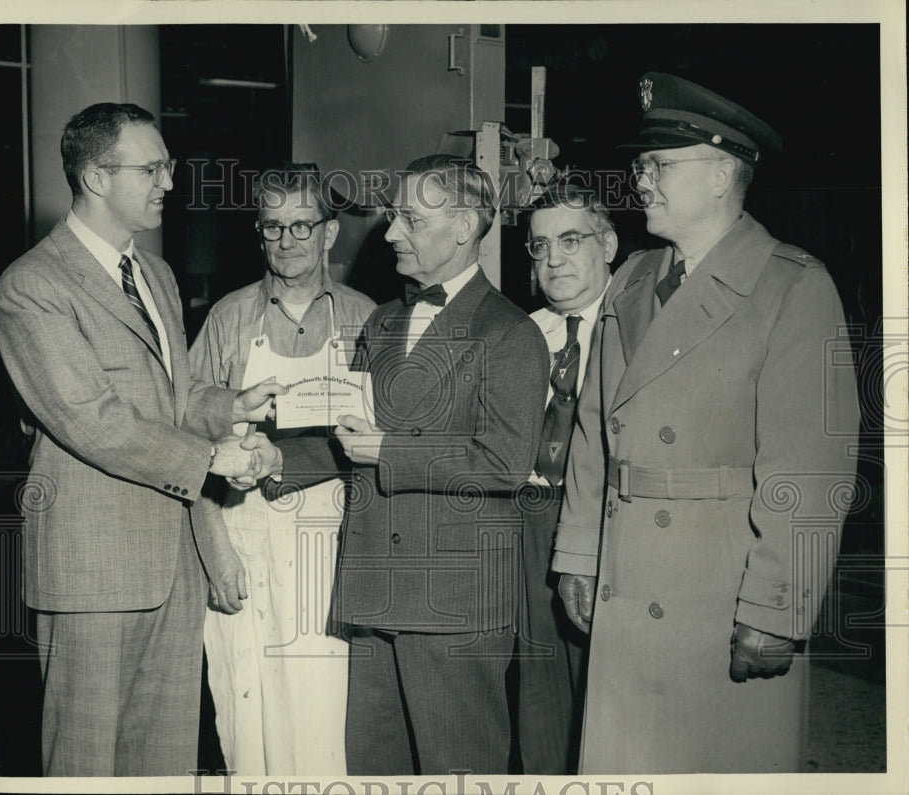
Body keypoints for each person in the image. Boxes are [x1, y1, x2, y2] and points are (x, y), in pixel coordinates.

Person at [552, 72, 861, 773]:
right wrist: (576, 550)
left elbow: (809, 471)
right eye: (640, 164)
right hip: (626, 579)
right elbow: (596, 432)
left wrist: (776, 606)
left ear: (723, 173)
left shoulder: (792, 285)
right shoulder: (631, 278)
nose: (642, 179)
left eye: (659, 164)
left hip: (718, 596)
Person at [0, 102, 282, 776]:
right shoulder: (32, 285)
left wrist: (229, 404)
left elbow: (172, 398)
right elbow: (90, 417)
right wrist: (213, 457)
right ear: (96, 177)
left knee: (164, 762)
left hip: (171, 562)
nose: (170, 183)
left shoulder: (156, 275)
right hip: (92, 569)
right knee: (86, 762)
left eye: (168, 166)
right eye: (152, 168)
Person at [269, 154, 549, 774]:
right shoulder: (383, 321)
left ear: (464, 225)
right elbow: (350, 438)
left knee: (459, 769)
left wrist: (391, 451)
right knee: (375, 768)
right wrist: (272, 461)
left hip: (454, 599)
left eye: (410, 220)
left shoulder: (511, 334)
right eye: (395, 217)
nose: (392, 232)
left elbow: (503, 462)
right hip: (372, 588)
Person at [189, 163, 376, 775]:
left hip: (334, 545)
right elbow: (188, 440)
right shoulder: (229, 319)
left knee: (326, 725)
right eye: (273, 227)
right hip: (245, 538)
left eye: (302, 225)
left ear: (330, 234)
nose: (287, 240)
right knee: (247, 722)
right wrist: (214, 550)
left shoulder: (366, 320)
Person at [516, 177, 616, 774]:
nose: (552, 259)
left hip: (606, 524)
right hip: (528, 524)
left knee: (602, 689)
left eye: (570, 240)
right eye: (539, 245)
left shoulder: (640, 334)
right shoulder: (523, 336)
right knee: (539, 691)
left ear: (607, 244)